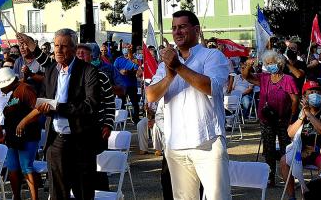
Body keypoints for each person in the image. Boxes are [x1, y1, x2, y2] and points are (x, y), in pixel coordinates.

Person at [145, 11, 231, 200]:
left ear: (197, 30)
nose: (177, 32)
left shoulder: (212, 56)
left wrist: (178, 67)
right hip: (175, 144)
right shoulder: (164, 65)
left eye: (182, 26)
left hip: (207, 142)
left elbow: (211, 87)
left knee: (219, 197)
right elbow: (151, 95)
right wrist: (169, 75)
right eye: (174, 28)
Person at [35, 29, 101, 200]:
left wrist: (58, 107)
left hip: (80, 140)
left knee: (83, 191)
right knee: (57, 192)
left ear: (73, 48)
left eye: (63, 46)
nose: (58, 50)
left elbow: (90, 105)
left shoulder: (88, 71)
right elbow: (43, 97)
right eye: (56, 45)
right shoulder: (51, 70)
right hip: (55, 140)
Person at [242, 49, 299, 185]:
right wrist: (249, 65)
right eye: (267, 63)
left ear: (279, 63)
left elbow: (295, 100)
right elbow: (246, 76)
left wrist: (291, 118)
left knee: (286, 148)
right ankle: (270, 176)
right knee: (269, 149)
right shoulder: (264, 77)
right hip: (266, 119)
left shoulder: (288, 79)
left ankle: (288, 176)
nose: (270, 65)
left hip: (283, 119)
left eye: (272, 62)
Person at [0, 68, 41, 200]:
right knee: (13, 167)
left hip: (27, 136)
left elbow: (39, 108)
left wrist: (24, 122)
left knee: (26, 167)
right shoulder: (14, 91)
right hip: (12, 137)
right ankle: (16, 196)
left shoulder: (25, 89)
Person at [114, 46, 141, 123]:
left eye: (127, 48)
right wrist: (120, 71)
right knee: (121, 103)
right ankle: (120, 120)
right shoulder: (118, 60)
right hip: (122, 85)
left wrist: (128, 72)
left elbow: (137, 69)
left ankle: (136, 119)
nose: (125, 49)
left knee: (135, 103)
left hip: (132, 85)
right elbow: (114, 71)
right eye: (124, 47)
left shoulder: (134, 59)